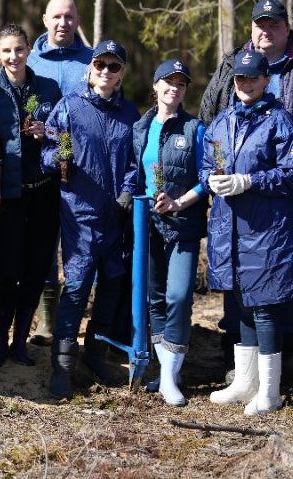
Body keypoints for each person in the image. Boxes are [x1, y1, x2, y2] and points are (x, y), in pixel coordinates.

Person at [199, 0, 293, 383]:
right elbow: (209, 119)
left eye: (274, 24)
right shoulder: (231, 66)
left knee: (279, 274)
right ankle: (239, 366)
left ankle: (282, 363)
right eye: (260, 24)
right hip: (235, 199)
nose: (266, 31)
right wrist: (211, 172)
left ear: (287, 28)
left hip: (289, 191)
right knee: (238, 278)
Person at [201, 50, 293, 416]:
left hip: (266, 230)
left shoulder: (279, 121)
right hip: (229, 227)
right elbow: (207, 163)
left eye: (252, 78)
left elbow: (292, 175)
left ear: (266, 81)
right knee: (240, 304)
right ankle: (246, 382)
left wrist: (250, 180)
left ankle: (271, 392)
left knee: (263, 307)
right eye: (239, 78)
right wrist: (210, 179)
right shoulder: (221, 122)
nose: (245, 84)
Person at [42, 40, 139, 399]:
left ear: (121, 73)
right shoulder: (69, 107)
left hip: (116, 214)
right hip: (79, 211)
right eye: (100, 64)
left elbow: (134, 161)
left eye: (113, 67)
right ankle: (63, 366)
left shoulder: (129, 113)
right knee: (78, 283)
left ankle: (95, 354)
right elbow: (48, 151)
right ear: (90, 67)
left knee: (113, 282)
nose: (105, 72)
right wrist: (57, 159)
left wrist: (129, 190)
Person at [0, 24, 62, 368]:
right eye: (7, 50)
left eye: (20, 49)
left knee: (36, 268)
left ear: (29, 51)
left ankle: (21, 344)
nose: (14, 56)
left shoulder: (48, 87)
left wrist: (47, 132)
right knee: (5, 270)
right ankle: (0, 342)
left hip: (44, 193)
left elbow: (63, 133)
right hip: (7, 194)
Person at [132, 58, 208, 406]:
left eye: (181, 83)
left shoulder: (195, 129)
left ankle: (168, 377)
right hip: (146, 224)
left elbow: (208, 177)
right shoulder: (140, 127)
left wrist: (179, 203)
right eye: (168, 81)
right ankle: (167, 374)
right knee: (155, 298)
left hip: (183, 225)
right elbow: (133, 174)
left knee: (178, 296)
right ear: (155, 85)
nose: (174, 88)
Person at [26, 0, 94, 346]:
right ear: (44, 19)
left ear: (77, 20)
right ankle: (46, 320)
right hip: (42, 167)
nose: (63, 23)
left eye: (69, 17)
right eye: (56, 17)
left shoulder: (94, 60)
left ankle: (77, 319)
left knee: (83, 246)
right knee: (44, 243)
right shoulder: (31, 60)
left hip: (86, 171)